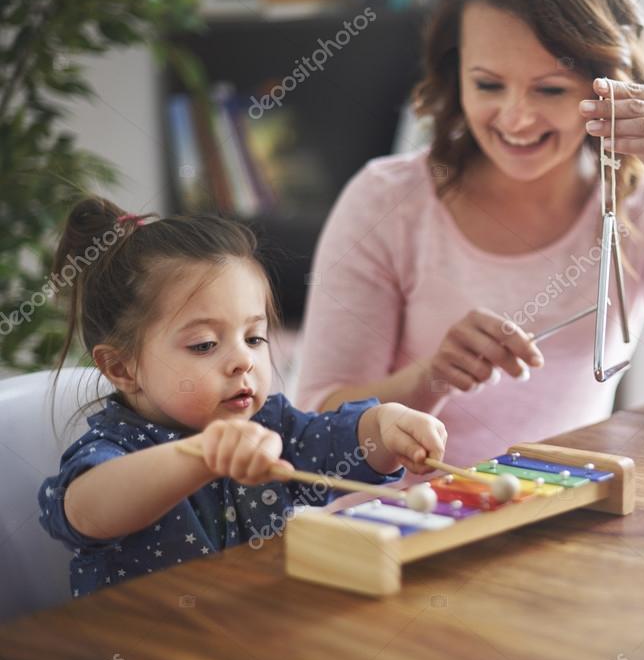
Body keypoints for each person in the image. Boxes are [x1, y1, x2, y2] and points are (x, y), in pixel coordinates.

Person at [296, 0, 644, 466]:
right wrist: (431, 377)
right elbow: (317, 426)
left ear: (605, 87)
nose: (516, 118)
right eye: (488, 85)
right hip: (393, 524)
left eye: (550, 89)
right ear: (455, 74)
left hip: (552, 517)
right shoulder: (385, 201)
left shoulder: (639, 205)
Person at [37, 198, 446, 597]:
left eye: (254, 337)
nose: (243, 361)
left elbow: (343, 445)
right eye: (204, 345)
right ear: (122, 368)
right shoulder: (114, 449)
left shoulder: (271, 425)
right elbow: (85, 509)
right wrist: (200, 456)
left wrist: (386, 427)